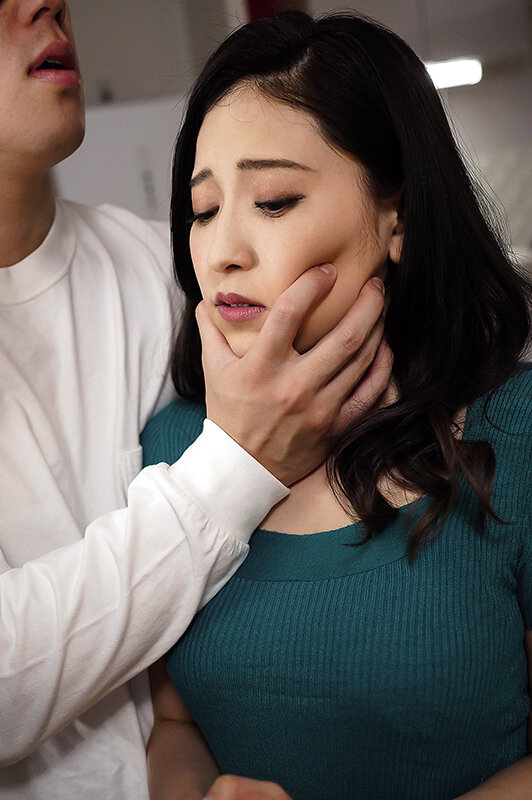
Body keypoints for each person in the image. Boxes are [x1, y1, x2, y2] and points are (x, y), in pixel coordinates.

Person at [0, 2, 393, 798]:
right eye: (205, 211)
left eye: (270, 200)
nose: (44, 4)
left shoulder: (171, 280)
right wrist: (235, 466)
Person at [143, 10, 532, 800]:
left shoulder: (517, 436)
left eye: (275, 200)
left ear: (399, 219)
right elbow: (176, 726)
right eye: (204, 210)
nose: (223, 252)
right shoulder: (171, 448)